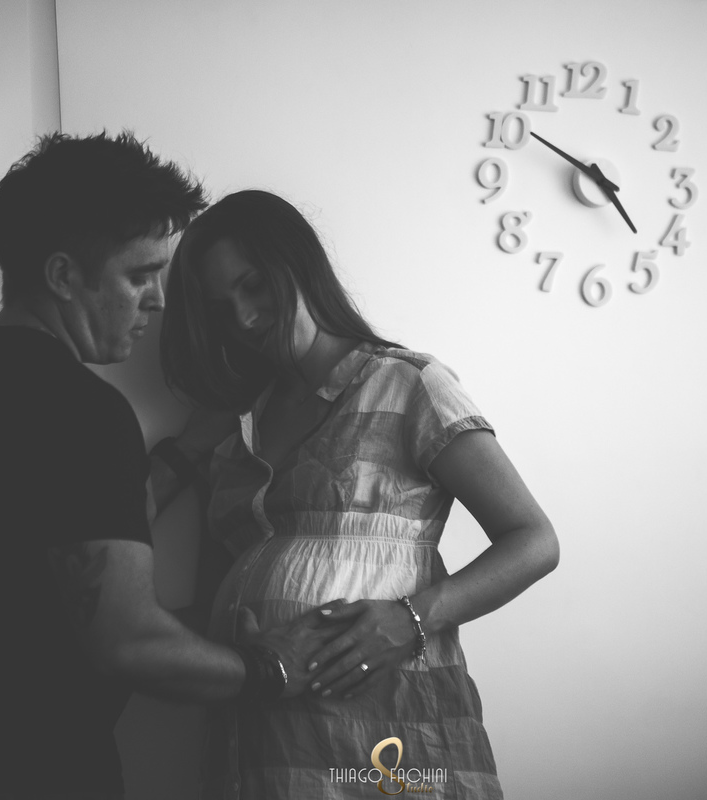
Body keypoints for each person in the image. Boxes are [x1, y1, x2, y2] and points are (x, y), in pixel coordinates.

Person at [0, 134, 344, 799]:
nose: (158, 300)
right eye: (140, 275)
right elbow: (127, 642)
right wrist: (271, 669)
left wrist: (183, 454)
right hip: (25, 767)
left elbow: (50, 538)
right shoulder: (82, 410)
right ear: (63, 276)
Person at [153, 189, 560, 798]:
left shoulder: (408, 385)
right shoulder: (234, 426)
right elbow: (217, 590)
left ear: (297, 263)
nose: (245, 319)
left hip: (388, 733)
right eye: (222, 307)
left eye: (254, 286)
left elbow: (534, 541)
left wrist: (410, 620)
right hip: (259, 747)